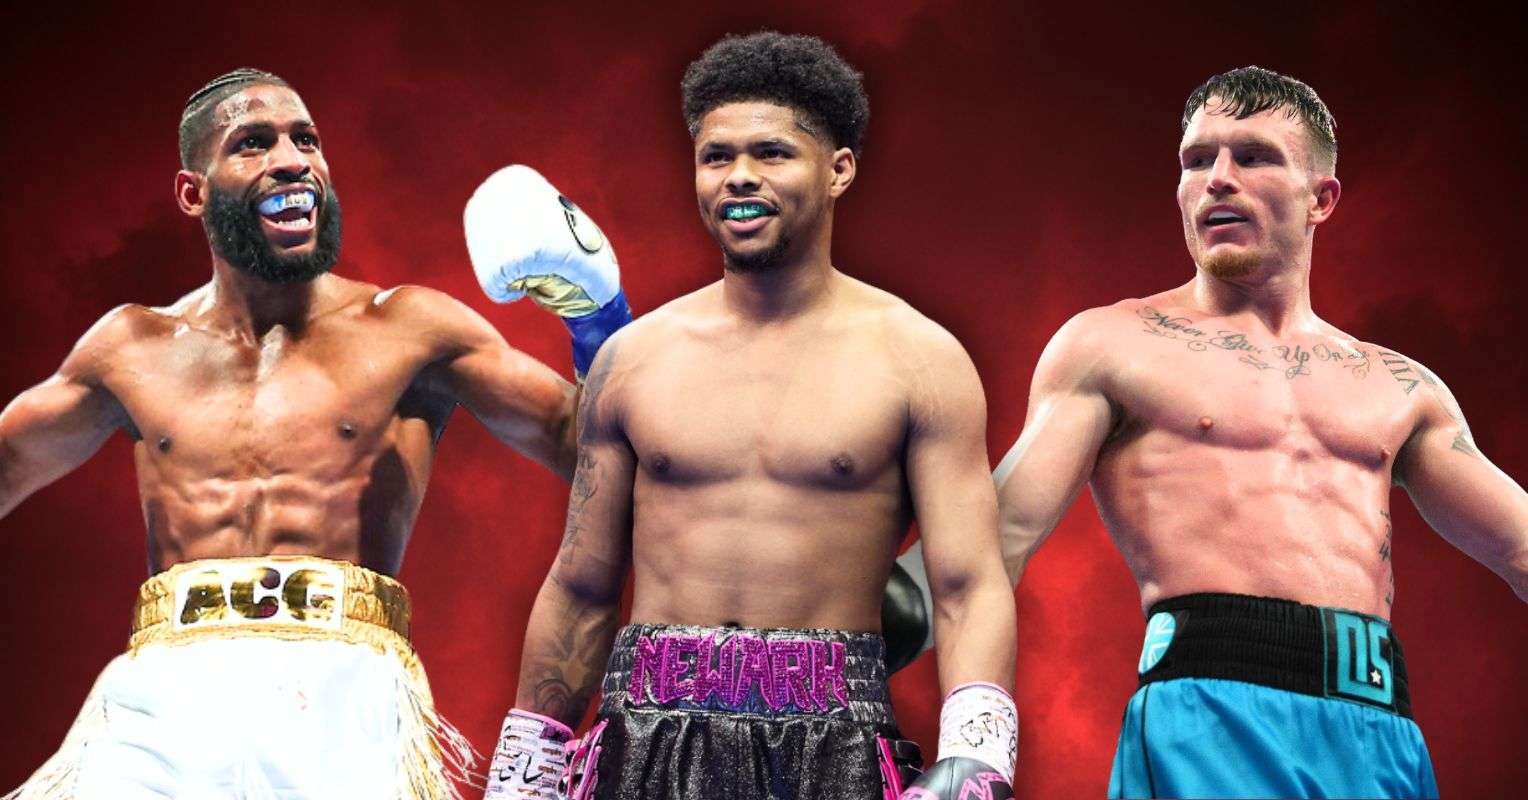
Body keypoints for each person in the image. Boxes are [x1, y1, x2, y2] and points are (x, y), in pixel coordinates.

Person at [898, 65, 1526, 799]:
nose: (1218, 179)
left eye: (1252, 157)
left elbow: (1520, 547)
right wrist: (839, 640)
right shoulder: (1114, 346)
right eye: (1197, 160)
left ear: (1321, 198)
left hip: (1381, 737)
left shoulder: (1400, 386)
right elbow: (991, 542)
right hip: (1210, 721)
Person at [0, 68, 630, 799]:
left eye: (306, 139)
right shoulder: (131, 346)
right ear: (193, 192)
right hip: (162, 705)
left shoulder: (411, 328)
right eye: (253, 143)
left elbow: (601, 451)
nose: (292, 160)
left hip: (345, 700)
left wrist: (597, 320)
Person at [483, 32, 1019, 800]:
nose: (738, 176)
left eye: (771, 153)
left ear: (838, 170)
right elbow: (581, 586)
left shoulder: (920, 360)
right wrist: (525, 772)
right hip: (646, 739)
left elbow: (968, 584)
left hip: (833, 743)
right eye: (716, 156)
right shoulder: (634, 358)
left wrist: (977, 757)